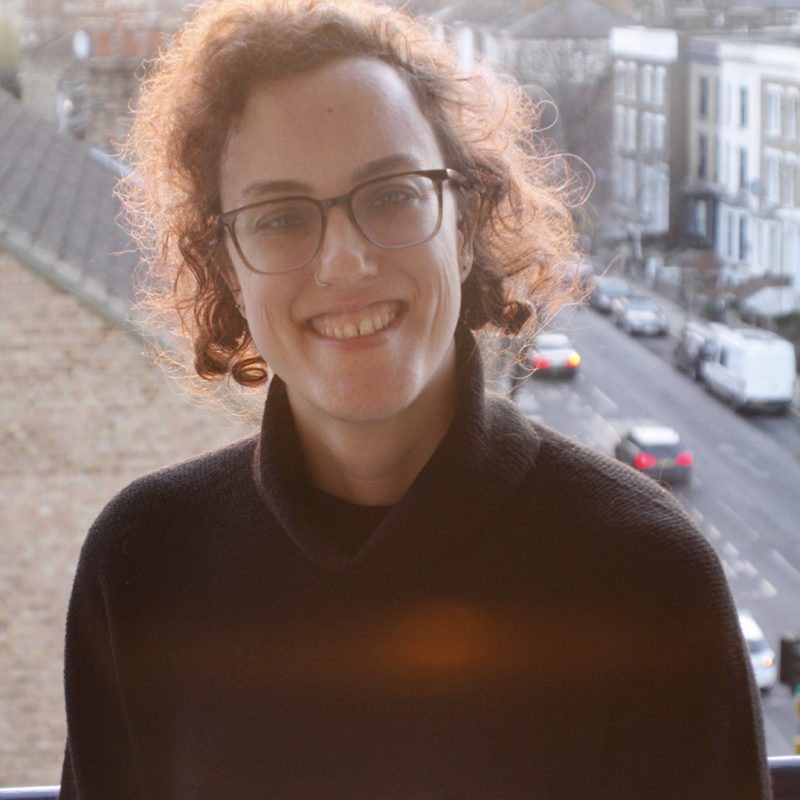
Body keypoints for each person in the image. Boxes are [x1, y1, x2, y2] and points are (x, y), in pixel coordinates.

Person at [59, 0, 771, 797]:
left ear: (463, 225)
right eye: (282, 216)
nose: (345, 263)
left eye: (392, 193)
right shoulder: (145, 566)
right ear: (227, 263)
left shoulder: (645, 577)